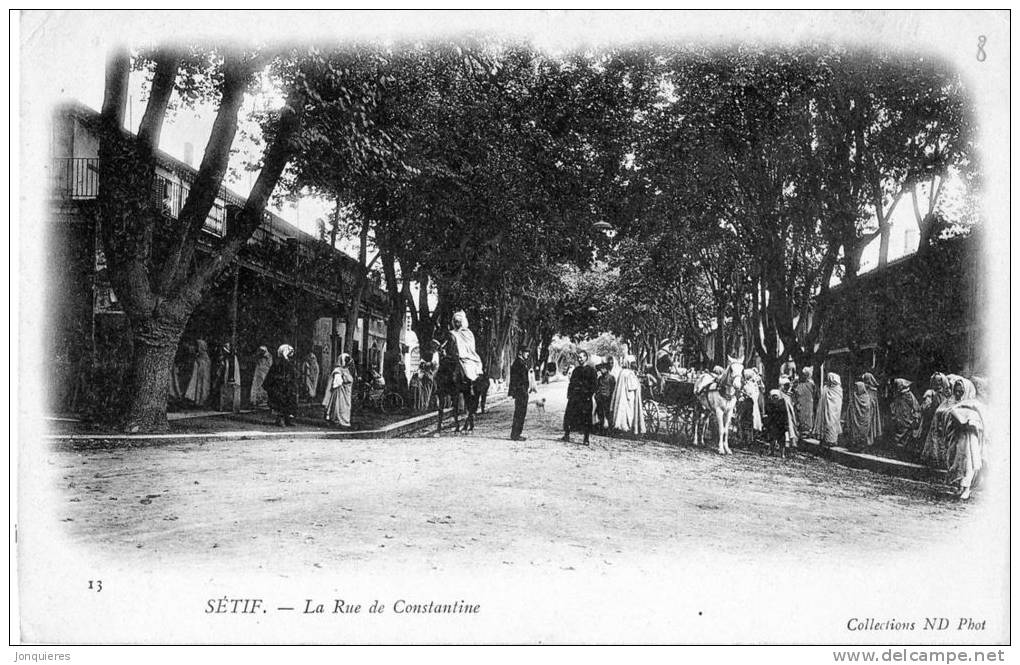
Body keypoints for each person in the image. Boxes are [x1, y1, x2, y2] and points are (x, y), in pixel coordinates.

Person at [946, 378, 986, 499]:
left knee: (969, 461)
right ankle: (959, 486)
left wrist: (970, 422)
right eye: (956, 391)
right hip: (958, 436)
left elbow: (982, 423)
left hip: (969, 438)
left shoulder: (974, 406)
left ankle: (967, 488)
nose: (958, 394)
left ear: (967, 391)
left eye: (961, 392)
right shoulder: (954, 404)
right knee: (957, 461)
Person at [563, 350, 598, 445]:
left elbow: (594, 385)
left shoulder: (591, 370)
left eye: (581, 357)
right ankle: (567, 434)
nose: (580, 359)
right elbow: (571, 383)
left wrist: (589, 394)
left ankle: (586, 438)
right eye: (578, 357)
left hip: (585, 398)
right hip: (575, 397)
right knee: (569, 415)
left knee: (586, 418)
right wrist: (569, 394)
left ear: (586, 358)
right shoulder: (576, 370)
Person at [264, 344, 299, 427]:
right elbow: (272, 375)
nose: (291, 356)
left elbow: (293, 373)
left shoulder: (289, 362)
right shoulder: (278, 363)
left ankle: (288, 420)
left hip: (288, 386)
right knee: (280, 403)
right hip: (279, 387)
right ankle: (280, 420)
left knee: (289, 402)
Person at [610, 360, 645, 435]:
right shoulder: (629, 373)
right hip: (628, 395)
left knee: (622, 411)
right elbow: (632, 386)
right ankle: (627, 428)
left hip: (621, 395)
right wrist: (638, 383)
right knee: (629, 411)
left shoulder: (622, 372)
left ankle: (620, 426)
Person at [448, 311, 484, 384]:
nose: (456, 323)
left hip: (466, 356)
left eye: (458, 322)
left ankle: (471, 384)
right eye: (455, 322)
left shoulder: (468, 333)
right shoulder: (452, 333)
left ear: (462, 322)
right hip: (454, 355)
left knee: (469, 367)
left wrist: (462, 352)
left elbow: (470, 347)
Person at [847, 376, 881, 451]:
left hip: (865, 420)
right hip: (859, 420)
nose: (856, 390)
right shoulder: (856, 397)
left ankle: (862, 446)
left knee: (863, 432)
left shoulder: (867, 397)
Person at [322, 353, 354, 428]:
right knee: (339, 407)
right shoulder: (337, 370)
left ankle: (344, 421)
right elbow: (337, 382)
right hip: (340, 393)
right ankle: (338, 421)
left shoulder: (346, 370)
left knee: (345, 407)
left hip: (346, 393)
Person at [812, 372, 844, 446]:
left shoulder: (838, 389)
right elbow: (822, 399)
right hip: (825, 410)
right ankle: (824, 438)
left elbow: (838, 402)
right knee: (826, 423)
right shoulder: (826, 388)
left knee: (832, 423)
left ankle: (832, 440)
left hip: (834, 411)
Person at [889, 378, 920, 449]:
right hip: (900, 414)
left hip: (906, 415)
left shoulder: (907, 394)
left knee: (905, 428)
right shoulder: (899, 393)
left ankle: (902, 445)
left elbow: (913, 405)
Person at [508, 346, 530, 441]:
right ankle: (516, 434)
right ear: (520, 352)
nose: (528, 354)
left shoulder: (520, 362)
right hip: (521, 392)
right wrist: (522, 390)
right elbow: (517, 380)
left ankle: (516, 434)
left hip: (522, 391)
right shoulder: (518, 363)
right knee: (520, 413)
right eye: (526, 352)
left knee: (520, 413)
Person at [737, 368, 763, 447]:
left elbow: (751, 395)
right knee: (744, 422)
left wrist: (744, 396)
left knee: (747, 422)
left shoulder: (751, 385)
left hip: (749, 405)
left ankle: (748, 441)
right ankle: (745, 440)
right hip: (746, 405)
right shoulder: (748, 384)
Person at [183, 339, 211, 406]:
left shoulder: (205, 356)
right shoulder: (198, 355)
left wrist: (199, 363)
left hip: (203, 375)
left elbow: (205, 364)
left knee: (203, 386)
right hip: (198, 373)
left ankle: (201, 401)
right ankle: (196, 401)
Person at [792, 367, 816, 440]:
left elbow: (814, 393)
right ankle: (802, 431)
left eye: (805, 375)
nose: (803, 376)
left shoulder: (811, 384)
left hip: (808, 402)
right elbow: (795, 392)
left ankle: (808, 431)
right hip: (800, 402)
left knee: (808, 415)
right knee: (801, 416)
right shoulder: (798, 383)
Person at [595, 357, 617, 432]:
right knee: (600, 413)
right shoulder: (600, 378)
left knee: (608, 413)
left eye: (603, 368)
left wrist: (611, 397)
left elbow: (613, 388)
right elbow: (597, 388)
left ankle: (610, 429)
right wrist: (597, 395)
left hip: (608, 398)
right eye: (601, 369)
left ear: (607, 369)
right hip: (600, 398)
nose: (602, 370)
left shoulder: (611, 378)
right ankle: (601, 429)